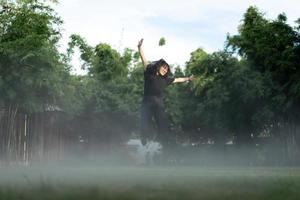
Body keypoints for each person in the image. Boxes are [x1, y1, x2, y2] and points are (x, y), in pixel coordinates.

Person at [138, 38, 194, 147]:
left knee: (163, 124)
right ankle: (144, 136)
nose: (165, 70)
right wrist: (140, 47)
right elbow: (144, 60)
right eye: (163, 68)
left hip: (158, 105)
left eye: (166, 69)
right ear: (159, 67)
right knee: (145, 124)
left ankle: (163, 140)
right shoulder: (149, 73)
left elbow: (178, 80)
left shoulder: (166, 80)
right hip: (147, 103)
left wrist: (188, 78)